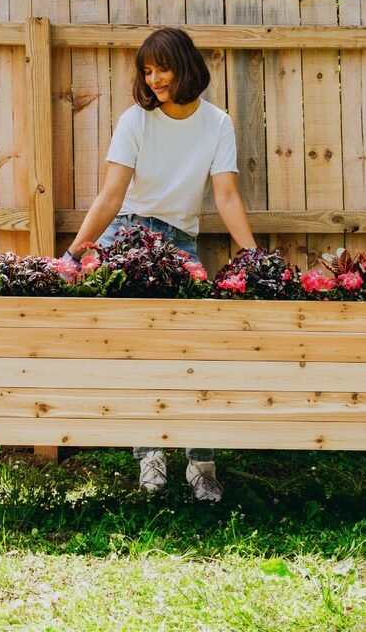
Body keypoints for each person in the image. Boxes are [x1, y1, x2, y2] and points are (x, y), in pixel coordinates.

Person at [63, 27, 257, 501]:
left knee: (197, 351)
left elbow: (226, 196)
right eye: (146, 71)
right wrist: (73, 253)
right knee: (138, 350)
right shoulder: (136, 120)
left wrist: (253, 257)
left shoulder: (217, 124)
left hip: (181, 244)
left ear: (185, 67)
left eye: (161, 68)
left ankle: (201, 465)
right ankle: (150, 455)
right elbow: (111, 196)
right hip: (128, 237)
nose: (153, 79)